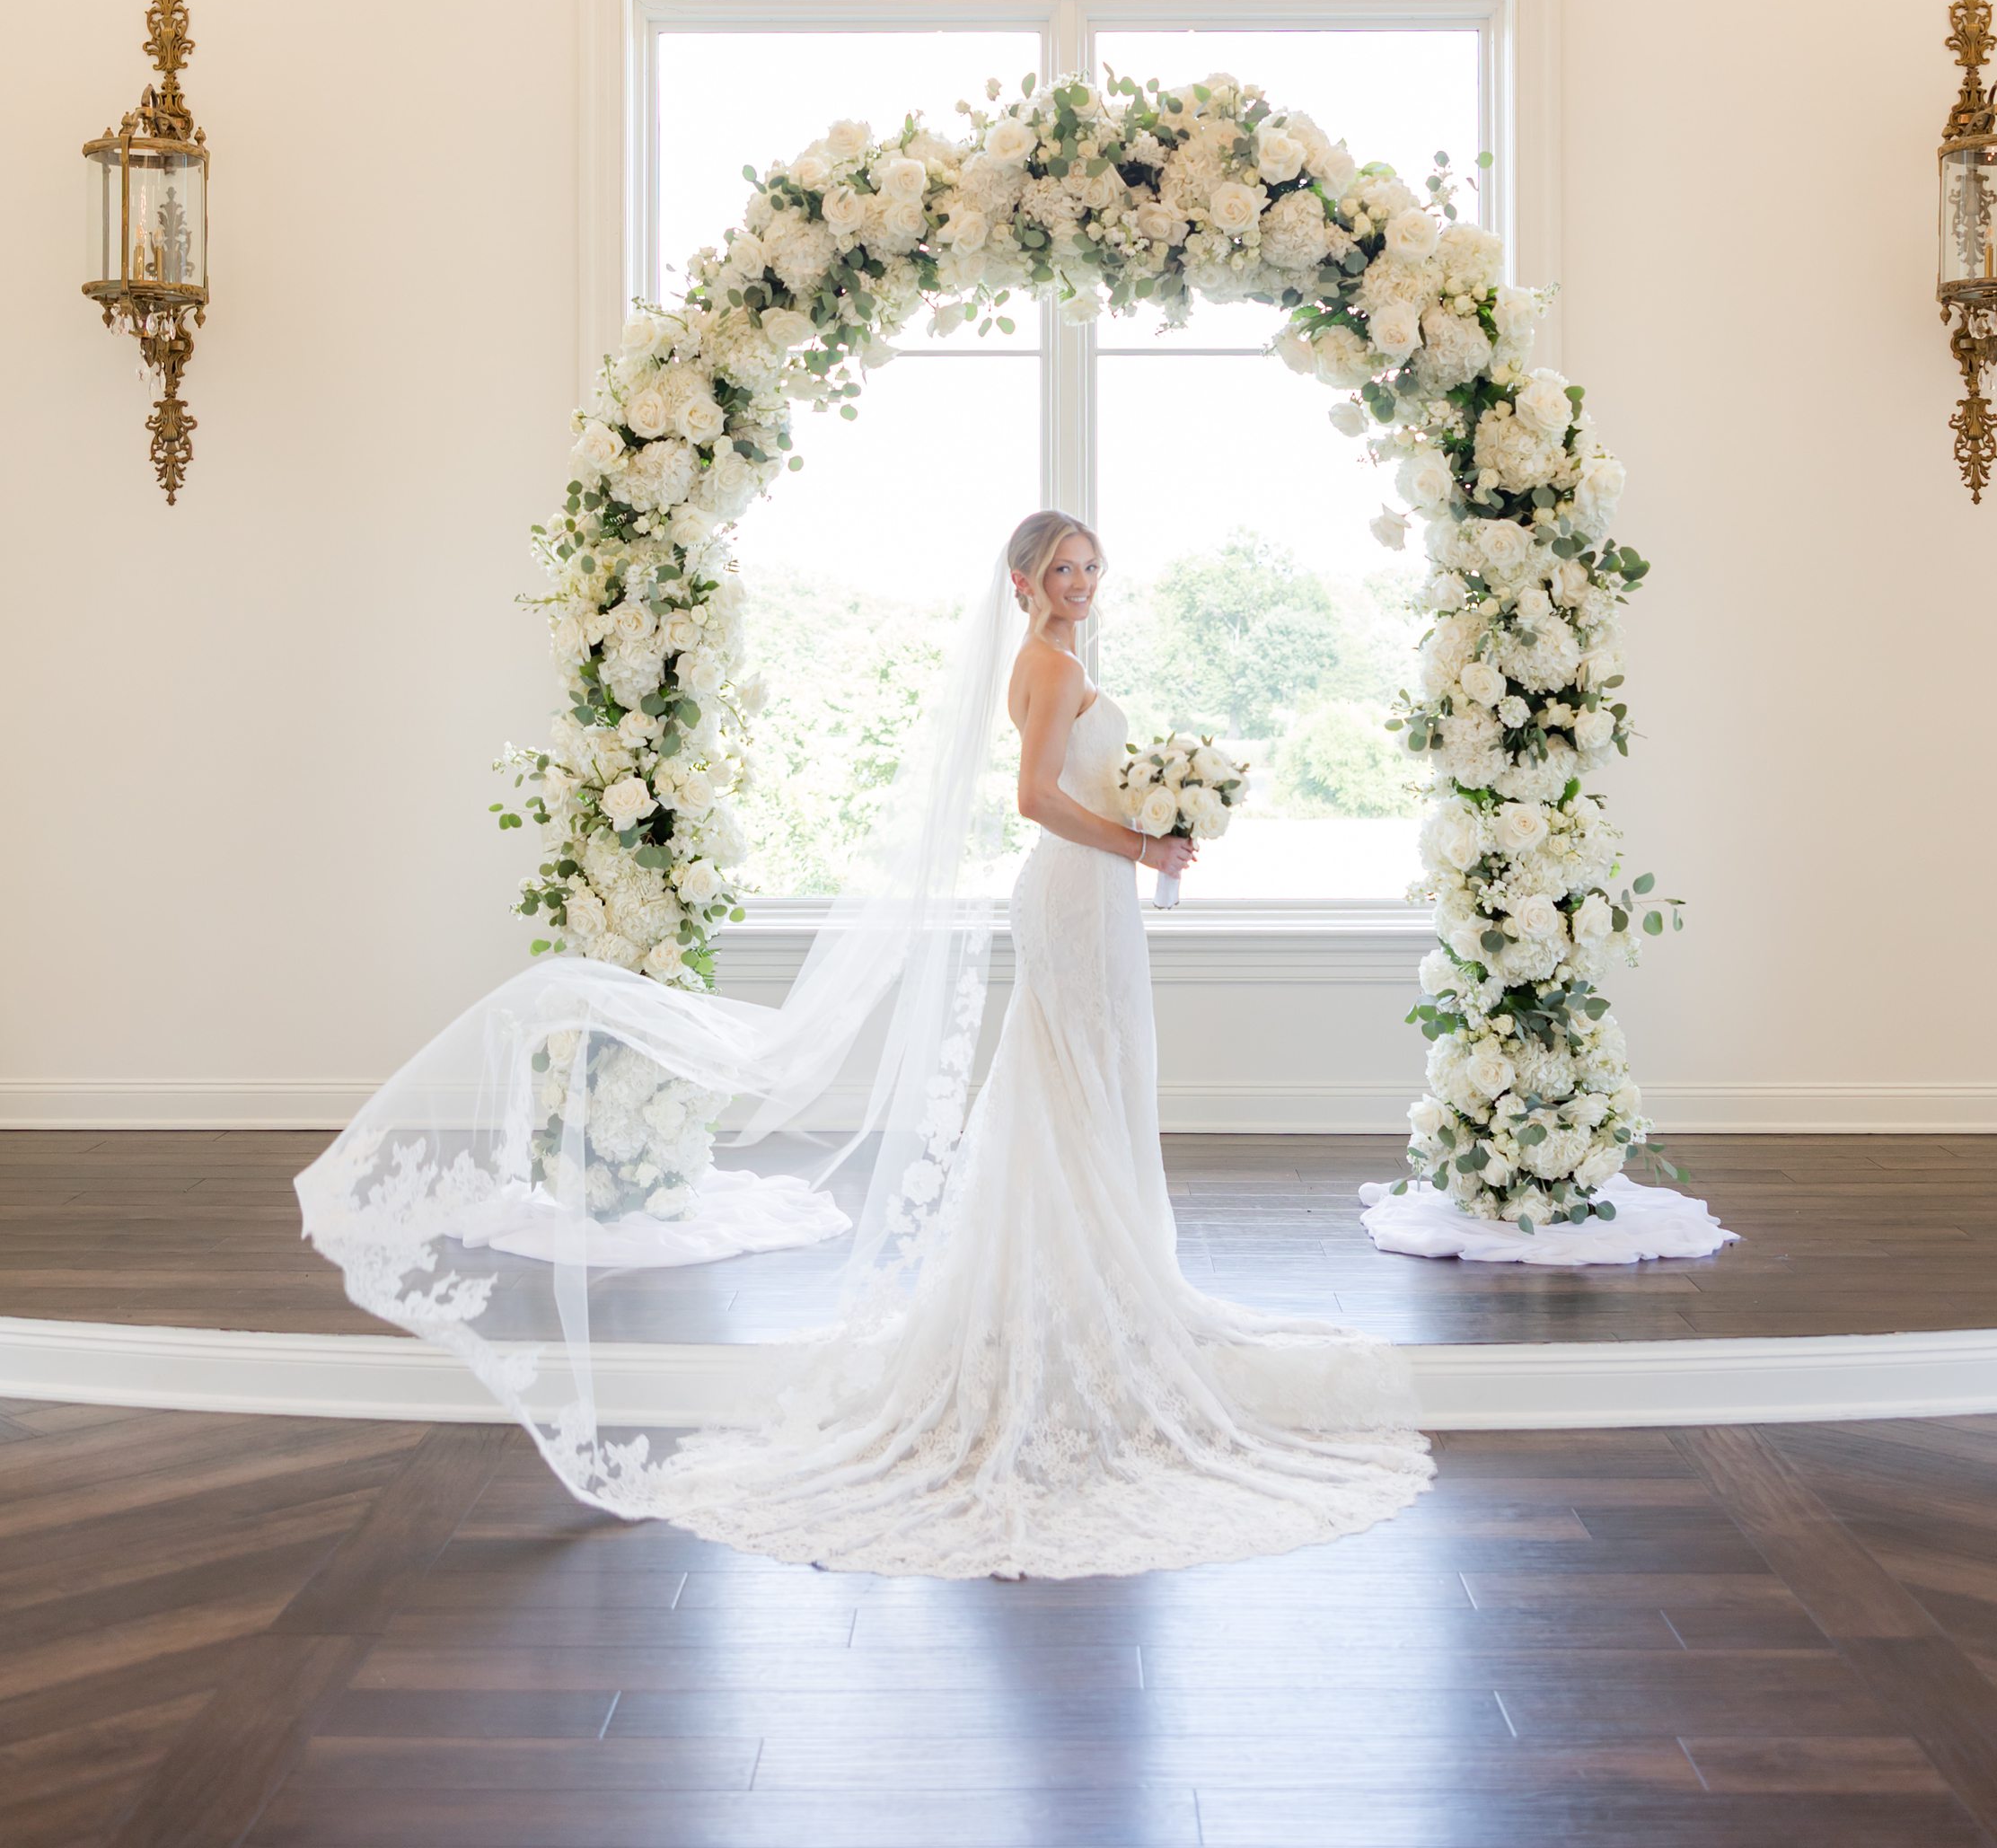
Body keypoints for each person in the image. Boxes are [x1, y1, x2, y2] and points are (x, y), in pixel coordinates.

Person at [299, 511, 1430, 1580]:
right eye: (1064, 570)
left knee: (1090, 1080)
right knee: (1076, 1079)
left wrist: (1151, 825)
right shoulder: (1051, 667)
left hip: (1098, 900)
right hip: (1079, 897)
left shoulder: (1058, 665)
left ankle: (1109, 1272)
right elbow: (1036, 799)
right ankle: (1090, 1286)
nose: (1083, 586)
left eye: (1093, 568)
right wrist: (1144, 841)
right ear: (1025, 583)